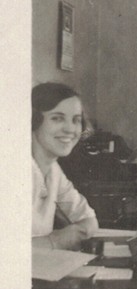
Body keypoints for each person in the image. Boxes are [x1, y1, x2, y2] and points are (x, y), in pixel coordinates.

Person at [31, 82, 98, 250]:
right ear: (33, 121)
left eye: (76, 120)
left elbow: (89, 219)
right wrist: (57, 241)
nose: (70, 129)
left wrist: (68, 236)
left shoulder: (53, 170)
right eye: (57, 118)